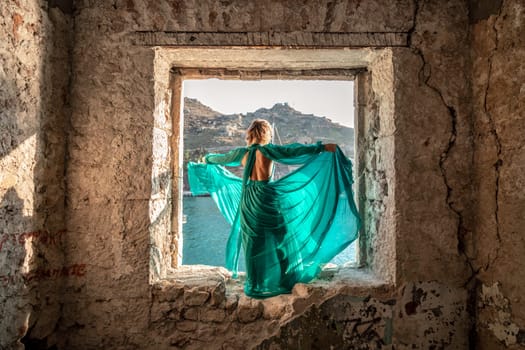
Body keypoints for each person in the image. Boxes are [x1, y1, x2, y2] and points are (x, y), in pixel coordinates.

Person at [188, 119, 360, 298]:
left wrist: (207, 159)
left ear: (250, 134)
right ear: (265, 134)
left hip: (248, 200)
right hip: (267, 198)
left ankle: (256, 284)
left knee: (253, 242)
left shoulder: (242, 153)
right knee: (281, 238)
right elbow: (294, 150)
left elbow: (220, 159)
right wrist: (320, 148)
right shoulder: (269, 150)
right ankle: (286, 278)